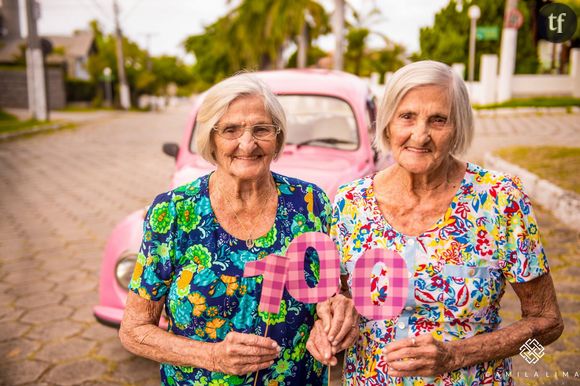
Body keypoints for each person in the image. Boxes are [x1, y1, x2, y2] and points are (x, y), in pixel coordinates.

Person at [307, 60, 564, 385]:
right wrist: (334, 321)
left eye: (438, 120)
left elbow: (549, 326)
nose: (420, 134)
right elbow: (339, 298)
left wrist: (459, 354)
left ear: (457, 128)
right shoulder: (350, 202)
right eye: (407, 117)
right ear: (387, 125)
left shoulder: (500, 200)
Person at [119, 72, 354, 385]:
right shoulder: (174, 212)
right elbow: (134, 331)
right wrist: (212, 356)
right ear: (212, 140)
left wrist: (332, 321)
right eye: (231, 130)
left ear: (278, 137)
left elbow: (333, 292)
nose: (248, 143)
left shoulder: (310, 203)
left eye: (261, 129)